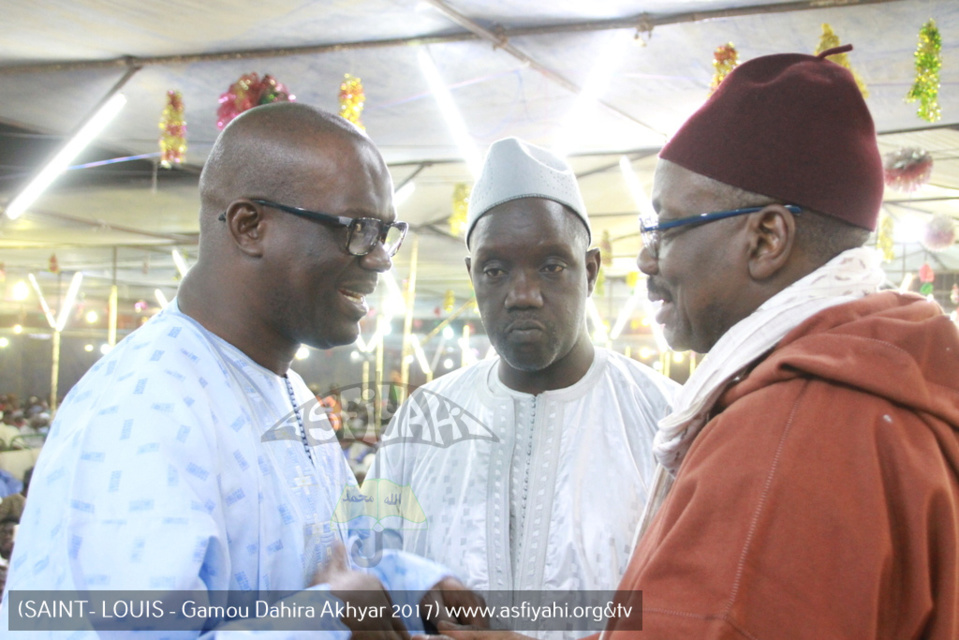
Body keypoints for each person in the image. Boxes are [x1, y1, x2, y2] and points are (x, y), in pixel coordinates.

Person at [444, 46, 959, 640]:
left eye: (667, 226)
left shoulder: (794, 429)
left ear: (766, 238)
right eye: (493, 271)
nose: (645, 257)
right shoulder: (885, 380)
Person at [0, 102, 482, 638]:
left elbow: (340, 558)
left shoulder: (290, 394)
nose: (380, 259)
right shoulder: (140, 409)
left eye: (386, 233)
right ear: (250, 226)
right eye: (359, 229)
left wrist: (420, 589)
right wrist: (333, 622)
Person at [366, 138, 677, 599]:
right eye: (495, 270)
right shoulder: (424, 419)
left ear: (590, 272)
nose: (523, 294)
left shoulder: (668, 421)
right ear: (473, 275)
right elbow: (372, 575)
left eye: (552, 266)